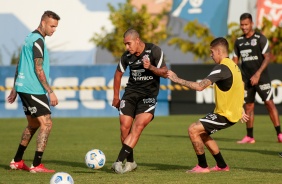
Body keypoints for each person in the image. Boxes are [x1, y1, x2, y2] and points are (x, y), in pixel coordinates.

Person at [167, 37, 248, 173]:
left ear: (218, 51)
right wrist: (241, 108)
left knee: (193, 129)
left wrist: (176, 79)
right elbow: (239, 88)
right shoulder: (234, 66)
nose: (211, 55)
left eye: (212, 52)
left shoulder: (222, 68)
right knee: (202, 133)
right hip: (228, 112)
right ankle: (222, 165)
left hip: (225, 114)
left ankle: (202, 166)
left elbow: (199, 86)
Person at [7, 10, 60, 173]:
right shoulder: (38, 40)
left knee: (33, 124)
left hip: (24, 86)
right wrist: (50, 91)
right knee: (47, 123)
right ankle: (37, 165)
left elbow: (20, 63)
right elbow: (39, 69)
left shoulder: (29, 37)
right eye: (52, 26)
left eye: (56, 27)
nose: (54, 29)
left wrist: (15, 87)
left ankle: (17, 161)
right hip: (33, 88)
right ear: (43, 22)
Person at [111, 28, 168, 174]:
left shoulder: (154, 50)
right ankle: (130, 162)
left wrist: (150, 67)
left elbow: (164, 72)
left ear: (137, 40)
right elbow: (118, 75)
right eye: (125, 44)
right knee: (124, 126)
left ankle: (118, 161)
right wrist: (116, 97)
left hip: (148, 96)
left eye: (128, 44)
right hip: (130, 94)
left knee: (138, 125)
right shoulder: (126, 56)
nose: (126, 47)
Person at [232, 13, 282, 144]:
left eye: (246, 24)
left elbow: (268, 57)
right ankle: (249, 136)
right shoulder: (238, 41)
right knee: (248, 106)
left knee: (269, 104)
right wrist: (236, 77)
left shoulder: (260, 38)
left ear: (252, 24)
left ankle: (279, 134)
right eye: (242, 25)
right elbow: (235, 61)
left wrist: (258, 74)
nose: (244, 27)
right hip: (246, 79)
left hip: (262, 78)